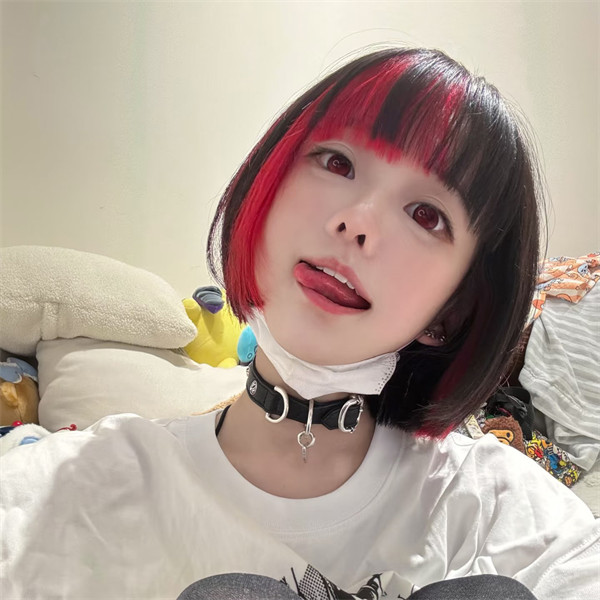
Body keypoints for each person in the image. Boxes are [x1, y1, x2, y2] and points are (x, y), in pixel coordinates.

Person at [1, 47, 598, 600]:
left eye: (426, 214)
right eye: (337, 162)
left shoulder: (499, 512)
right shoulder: (67, 490)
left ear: (452, 311)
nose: (358, 221)